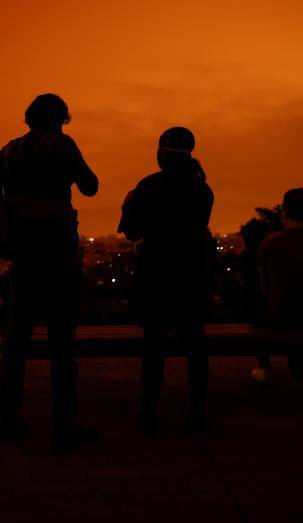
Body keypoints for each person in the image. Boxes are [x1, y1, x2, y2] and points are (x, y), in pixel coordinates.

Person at [0, 93, 99, 451]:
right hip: (57, 258)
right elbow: (90, 186)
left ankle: (8, 419)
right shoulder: (62, 146)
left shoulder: (7, 152)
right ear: (60, 119)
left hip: (21, 258)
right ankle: (64, 424)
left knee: (16, 344)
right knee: (61, 346)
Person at [118, 127, 214, 435]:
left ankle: (150, 409)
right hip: (193, 275)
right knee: (195, 344)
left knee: (153, 347)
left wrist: (128, 202)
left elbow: (132, 232)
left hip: (156, 273)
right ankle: (197, 410)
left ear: (161, 153)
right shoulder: (203, 189)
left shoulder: (147, 187)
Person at [250, 188, 303, 387]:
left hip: (281, 316)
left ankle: (264, 367)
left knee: (262, 308)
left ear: (284, 210)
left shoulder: (269, 243)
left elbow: (265, 288)